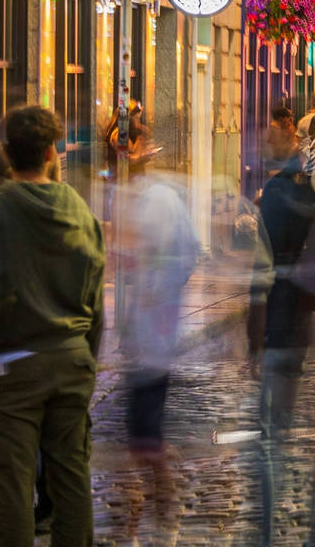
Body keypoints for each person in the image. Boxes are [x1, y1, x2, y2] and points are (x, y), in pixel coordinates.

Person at [0, 104, 104, 547]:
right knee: (72, 480)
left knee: (13, 485)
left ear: (8, 152)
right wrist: (87, 357)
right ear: (51, 152)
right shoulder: (79, 210)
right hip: (71, 358)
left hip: (14, 366)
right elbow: (96, 298)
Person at [249, 101, 315, 547]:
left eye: (271, 139)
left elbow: (261, 270)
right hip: (302, 318)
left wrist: (253, 331)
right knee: (307, 435)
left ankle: (265, 530)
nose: (265, 146)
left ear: (290, 141)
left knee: (271, 434)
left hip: (281, 320)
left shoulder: (279, 194)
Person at [114, 158, 198, 547]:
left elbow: (178, 256)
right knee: (140, 433)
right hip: (147, 338)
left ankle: (161, 502)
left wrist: (157, 292)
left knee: (144, 434)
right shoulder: (142, 197)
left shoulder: (159, 200)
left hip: (155, 339)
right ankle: (153, 503)